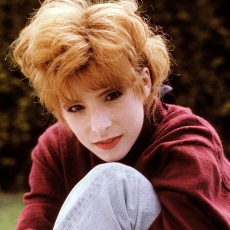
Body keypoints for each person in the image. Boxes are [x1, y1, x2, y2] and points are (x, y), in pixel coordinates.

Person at [10, 0, 230, 229]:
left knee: (114, 182)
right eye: (75, 108)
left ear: (145, 82)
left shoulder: (187, 144)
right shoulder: (58, 150)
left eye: (112, 95)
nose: (99, 126)